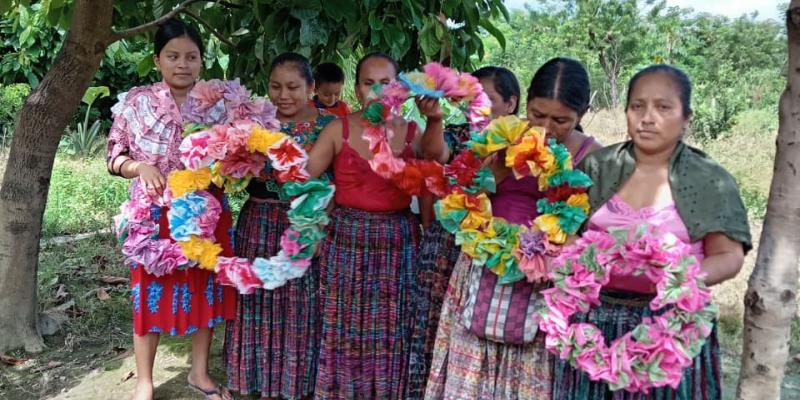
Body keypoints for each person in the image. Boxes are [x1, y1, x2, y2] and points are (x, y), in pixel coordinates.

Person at [552, 64, 751, 400]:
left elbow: (728, 256)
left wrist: (677, 278)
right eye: (637, 106)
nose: (647, 118)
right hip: (594, 322)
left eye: (663, 107)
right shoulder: (597, 168)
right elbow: (566, 232)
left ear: (686, 118)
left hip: (670, 326)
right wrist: (579, 263)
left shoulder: (708, 179)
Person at [424, 58, 602, 400]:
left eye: (561, 120)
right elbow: (463, 196)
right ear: (526, 102)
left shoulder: (593, 157)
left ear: (583, 113)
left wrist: (557, 247)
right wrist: (499, 169)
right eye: (538, 115)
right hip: (485, 268)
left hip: (545, 282)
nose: (546, 128)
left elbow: (595, 231)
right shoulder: (500, 138)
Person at [304, 52, 448, 400]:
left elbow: (437, 158)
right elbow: (305, 175)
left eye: (386, 83)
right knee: (345, 326)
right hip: (346, 239)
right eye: (369, 84)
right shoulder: (338, 129)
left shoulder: (411, 130)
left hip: (398, 240)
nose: (378, 91)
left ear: (400, 88)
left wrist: (435, 120)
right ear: (356, 90)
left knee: (392, 326)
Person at [106, 18, 234, 400]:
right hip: (153, 216)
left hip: (205, 212)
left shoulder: (218, 104)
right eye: (173, 56)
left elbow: (234, 155)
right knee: (148, 294)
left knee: (204, 289)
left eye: (191, 57)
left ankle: (199, 373)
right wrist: (138, 167)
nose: (183, 64)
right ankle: (145, 383)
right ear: (157, 59)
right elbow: (114, 155)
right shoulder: (137, 102)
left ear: (201, 60)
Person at [223, 52, 335, 400]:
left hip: (307, 226)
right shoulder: (254, 122)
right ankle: (259, 381)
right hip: (258, 222)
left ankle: (298, 384)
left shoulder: (330, 125)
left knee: (302, 306)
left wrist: (320, 229)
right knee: (257, 300)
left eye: (293, 87)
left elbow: (338, 181)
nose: (283, 95)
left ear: (311, 87)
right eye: (275, 87)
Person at [405, 66, 522, 399]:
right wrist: (435, 120)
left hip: (494, 254)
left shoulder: (527, 144)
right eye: (471, 97)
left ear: (511, 103)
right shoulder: (460, 135)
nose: (476, 104)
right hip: (446, 247)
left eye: (486, 97)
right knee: (433, 327)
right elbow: (435, 153)